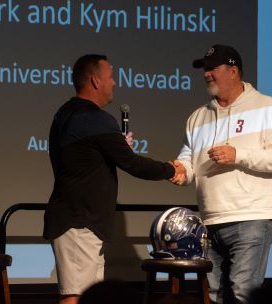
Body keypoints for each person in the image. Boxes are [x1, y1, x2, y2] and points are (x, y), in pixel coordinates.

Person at [43, 54, 185, 304]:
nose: (115, 82)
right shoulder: (95, 119)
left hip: (80, 220)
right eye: (111, 76)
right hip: (79, 221)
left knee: (91, 298)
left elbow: (88, 156)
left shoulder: (65, 113)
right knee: (75, 298)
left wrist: (113, 145)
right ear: (96, 81)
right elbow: (133, 164)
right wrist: (171, 170)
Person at [172, 44, 272, 303]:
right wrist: (181, 170)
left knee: (243, 294)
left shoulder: (266, 107)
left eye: (212, 69)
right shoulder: (198, 117)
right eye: (204, 70)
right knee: (214, 296)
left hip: (252, 217)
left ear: (233, 71)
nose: (206, 74)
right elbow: (189, 159)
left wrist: (238, 155)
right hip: (211, 220)